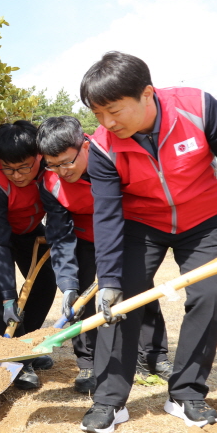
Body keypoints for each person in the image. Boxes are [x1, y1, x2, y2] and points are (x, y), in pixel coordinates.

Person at [79, 51, 217, 433]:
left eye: (113, 110)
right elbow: (108, 216)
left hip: (204, 221)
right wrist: (111, 278)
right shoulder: (101, 147)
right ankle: (109, 401)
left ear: (147, 94)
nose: (106, 122)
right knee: (121, 304)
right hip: (141, 225)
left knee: (208, 297)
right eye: (98, 114)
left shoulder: (198, 108)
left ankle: (186, 392)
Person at [37, 116, 171, 395]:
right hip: (84, 239)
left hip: (126, 233)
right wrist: (68, 284)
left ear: (84, 145)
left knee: (138, 289)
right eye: (53, 164)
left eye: (67, 162)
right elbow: (60, 233)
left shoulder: (112, 157)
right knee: (81, 301)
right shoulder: (50, 182)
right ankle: (88, 362)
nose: (61, 171)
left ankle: (154, 356)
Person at [0, 120, 57, 390]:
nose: (18, 175)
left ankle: (28, 345)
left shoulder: (52, 160)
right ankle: (13, 359)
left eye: (24, 167)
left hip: (30, 225)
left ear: (38, 156)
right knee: (3, 289)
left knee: (46, 281)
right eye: (8, 168)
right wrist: (9, 295)